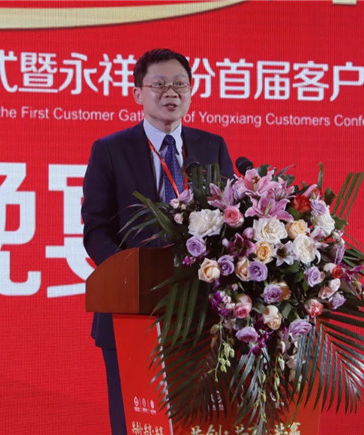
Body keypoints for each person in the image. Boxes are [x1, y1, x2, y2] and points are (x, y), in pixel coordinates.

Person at [81, 48, 234, 434]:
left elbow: (232, 218)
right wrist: (128, 278)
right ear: (138, 93)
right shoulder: (110, 150)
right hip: (133, 311)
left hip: (204, 313)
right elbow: (96, 228)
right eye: (160, 85)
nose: (171, 93)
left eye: (180, 84)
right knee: (136, 422)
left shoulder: (212, 146)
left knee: (202, 424)